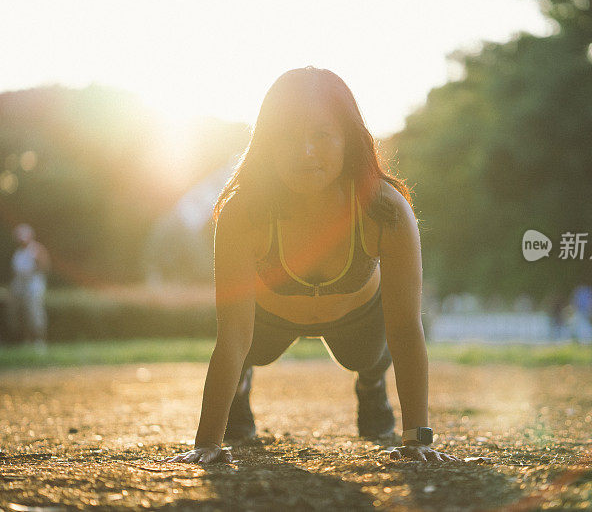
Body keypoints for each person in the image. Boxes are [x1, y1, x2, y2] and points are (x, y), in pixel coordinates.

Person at [166, 67, 460, 465]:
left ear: (348, 141)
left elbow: (406, 328)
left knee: (368, 357)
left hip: (360, 321)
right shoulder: (243, 211)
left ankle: (372, 386)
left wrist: (417, 439)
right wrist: (207, 443)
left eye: (322, 136)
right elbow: (233, 333)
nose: (306, 152)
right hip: (266, 322)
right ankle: (240, 388)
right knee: (246, 351)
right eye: (288, 136)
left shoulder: (385, 209)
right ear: (267, 143)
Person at [7, 223, 50, 347]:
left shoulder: (36, 249)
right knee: (20, 313)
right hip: (19, 285)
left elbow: (45, 267)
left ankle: (39, 341)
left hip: (33, 285)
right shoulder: (18, 252)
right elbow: (14, 271)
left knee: (34, 312)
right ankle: (25, 341)